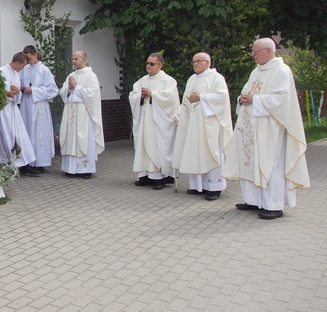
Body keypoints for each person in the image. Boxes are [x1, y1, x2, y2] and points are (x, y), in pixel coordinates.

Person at [223, 38, 310, 219]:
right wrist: (243, 98)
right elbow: (247, 91)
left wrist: (254, 100)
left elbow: (281, 99)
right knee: (251, 162)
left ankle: (273, 205)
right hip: (251, 127)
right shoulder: (256, 71)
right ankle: (253, 200)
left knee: (271, 164)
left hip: (271, 129)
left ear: (268, 51)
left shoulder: (281, 71)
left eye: (255, 52)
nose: (253, 55)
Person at [171, 52, 233, 201]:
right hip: (193, 125)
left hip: (208, 126)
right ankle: (199, 186)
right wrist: (179, 114)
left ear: (207, 62)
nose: (196, 64)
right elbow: (186, 100)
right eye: (194, 61)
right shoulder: (192, 79)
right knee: (195, 154)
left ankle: (214, 187)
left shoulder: (216, 78)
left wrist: (201, 97)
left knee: (210, 153)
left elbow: (222, 98)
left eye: (199, 61)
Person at [129, 53, 180, 190]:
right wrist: (140, 96)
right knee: (143, 145)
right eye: (147, 63)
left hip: (159, 123)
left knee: (158, 147)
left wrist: (153, 95)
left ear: (160, 65)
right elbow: (132, 96)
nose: (148, 66)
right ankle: (145, 176)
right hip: (144, 120)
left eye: (152, 64)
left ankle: (159, 177)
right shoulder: (141, 81)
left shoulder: (167, 81)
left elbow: (170, 100)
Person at [59, 50, 104, 179]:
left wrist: (77, 87)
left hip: (83, 113)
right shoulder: (71, 75)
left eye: (76, 59)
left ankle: (86, 169)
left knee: (83, 139)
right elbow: (63, 92)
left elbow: (92, 94)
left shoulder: (91, 75)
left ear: (83, 60)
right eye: (73, 59)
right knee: (70, 137)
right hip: (70, 112)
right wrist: (68, 88)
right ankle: (70, 169)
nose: (73, 61)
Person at [0, 52, 37, 172]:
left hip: (12, 109)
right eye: (23, 66)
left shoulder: (16, 74)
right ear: (17, 63)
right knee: (4, 136)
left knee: (19, 136)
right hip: (2, 110)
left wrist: (17, 92)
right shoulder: (1, 72)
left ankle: (22, 163)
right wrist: (6, 94)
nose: (23, 68)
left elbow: (17, 93)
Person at [19, 45, 59, 174]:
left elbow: (53, 90)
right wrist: (21, 88)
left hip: (39, 106)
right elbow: (20, 82)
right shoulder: (25, 69)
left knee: (38, 133)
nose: (27, 61)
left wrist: (34, 90)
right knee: (27, 131)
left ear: (35, 54)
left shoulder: (44, 70)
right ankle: (27, 162)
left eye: (29, 57)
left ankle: (39, 162)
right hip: (26, 105)